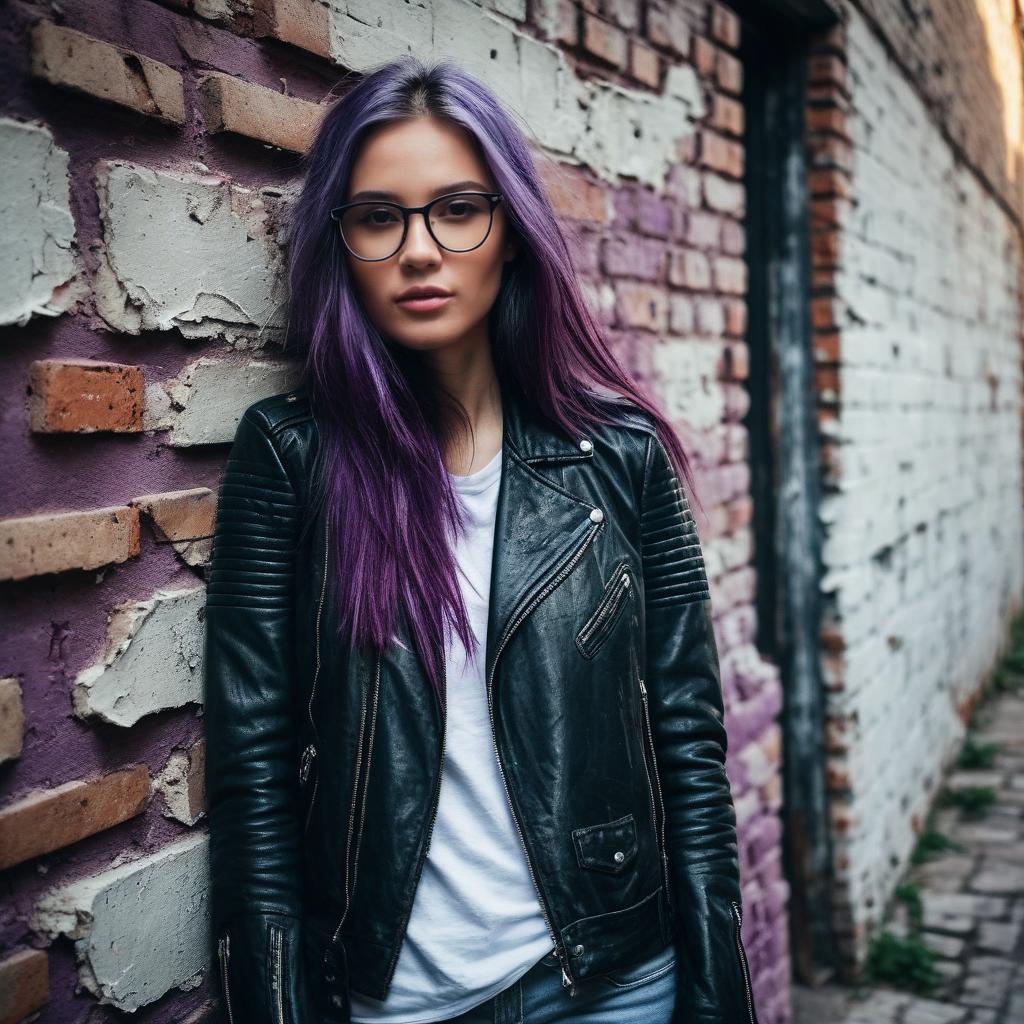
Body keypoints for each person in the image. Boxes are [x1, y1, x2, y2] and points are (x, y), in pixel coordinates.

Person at [204, 55, 760, 1024]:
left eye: (457, 207)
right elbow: (251, 775)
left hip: (614, 979)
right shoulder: (291, 460)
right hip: (394, 1000)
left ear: (509, 230)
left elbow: (685, 737)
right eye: (379, 217)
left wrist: (714, 994)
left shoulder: (619, 458)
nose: (420, 249)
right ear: (342, 246)